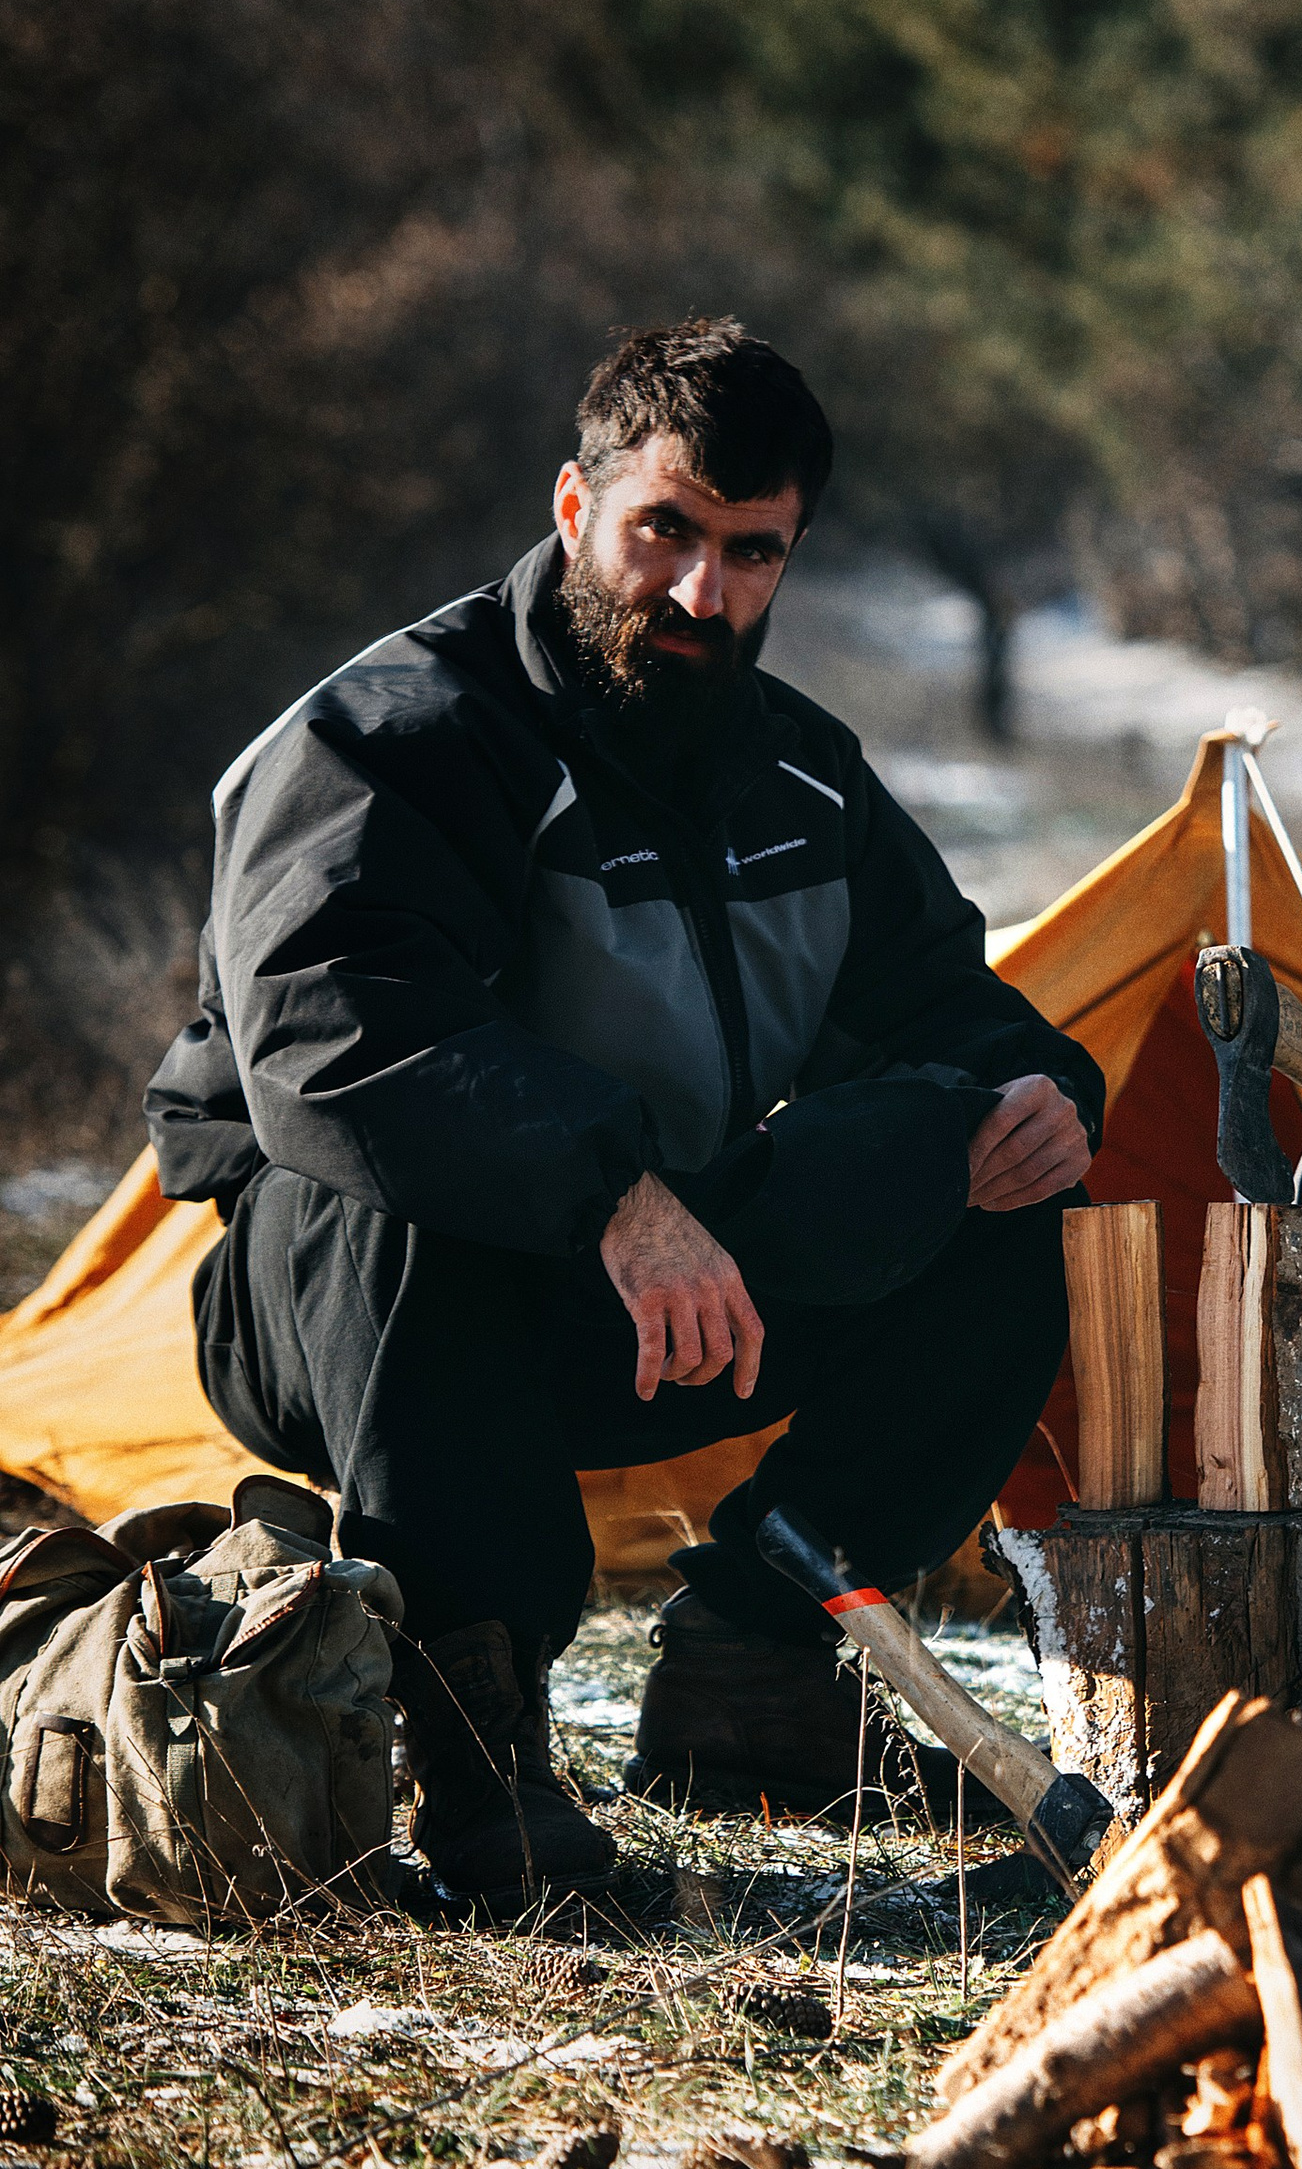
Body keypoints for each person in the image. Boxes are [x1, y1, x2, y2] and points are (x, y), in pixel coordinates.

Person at [146, 319, 1099, 1908]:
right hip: (343, 1313)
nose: (700, 594)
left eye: (750, 552)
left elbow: (955, 1009)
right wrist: (613, 1193)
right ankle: (481, 1745)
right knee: (386, 1180)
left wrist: (1038, 1101)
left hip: (651, 1300)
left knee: (1004, 1190)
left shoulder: (806, 777)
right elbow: (334, 1037)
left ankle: (760, 1674)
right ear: (577, 505)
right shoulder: (389, 738)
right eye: (666, 530)